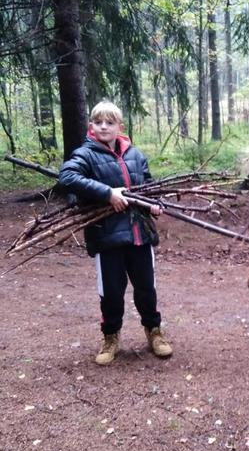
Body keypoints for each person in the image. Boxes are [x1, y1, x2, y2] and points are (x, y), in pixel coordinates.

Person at [59, 101, 172, 366]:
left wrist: (155, 204)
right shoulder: (85, 154)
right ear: (91, 126)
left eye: (109, 123)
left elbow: (149, 186)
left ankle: (154, 332)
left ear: (119, 126)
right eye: (98, 122)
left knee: (146, 288)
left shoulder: (135, 155)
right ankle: (110, 337)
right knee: (110, 292)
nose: (104, 127)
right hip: (107, 237)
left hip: (139, 234)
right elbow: (67, 177)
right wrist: (108, 193)